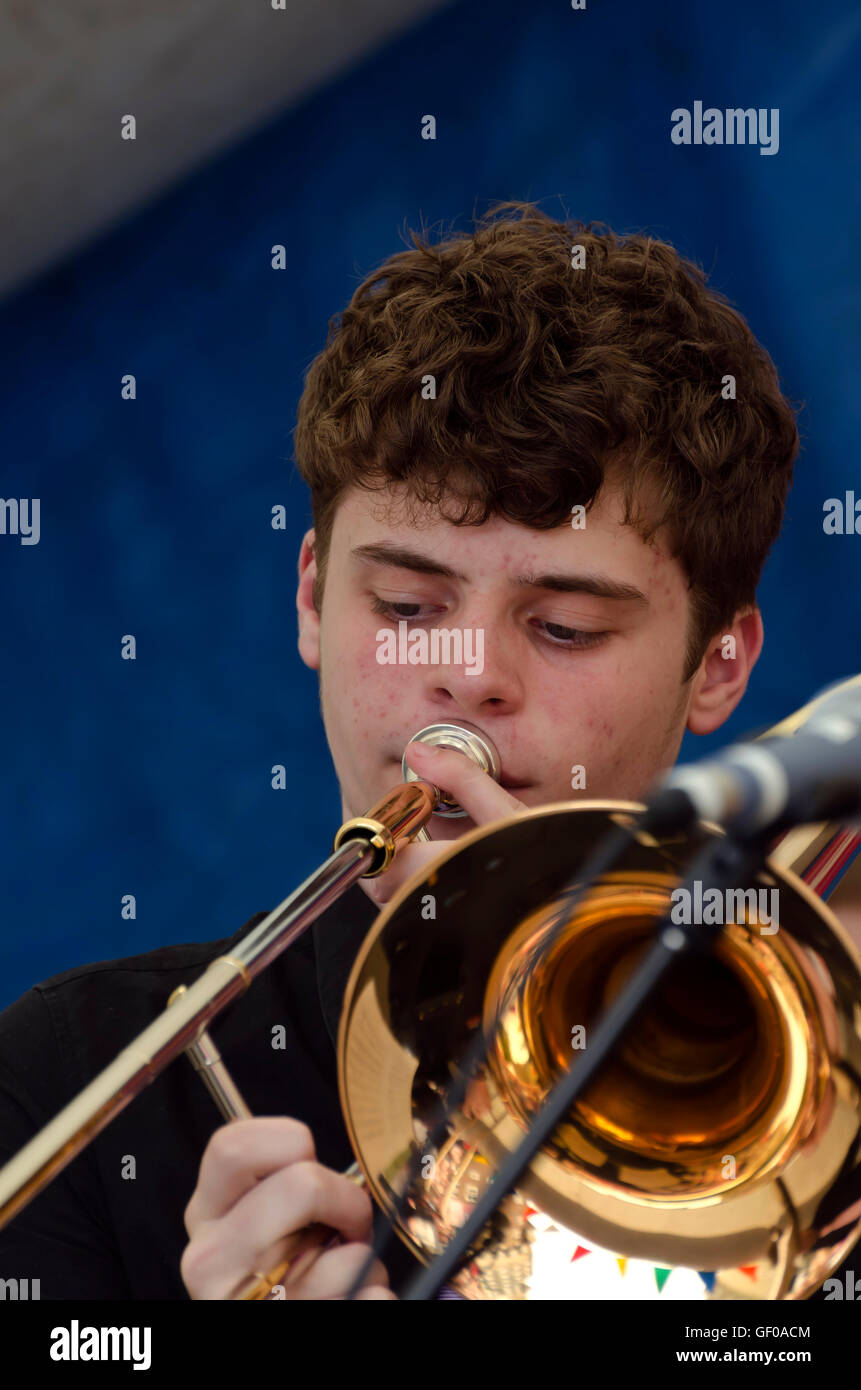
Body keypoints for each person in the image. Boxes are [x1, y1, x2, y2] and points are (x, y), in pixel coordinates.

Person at [0, 200, 853, 1301]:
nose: (468, 671)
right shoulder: (70, 1079)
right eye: (407, 603)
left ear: (720, 663)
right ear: (312, 598)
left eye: (564, 627)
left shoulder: (824, 1098)